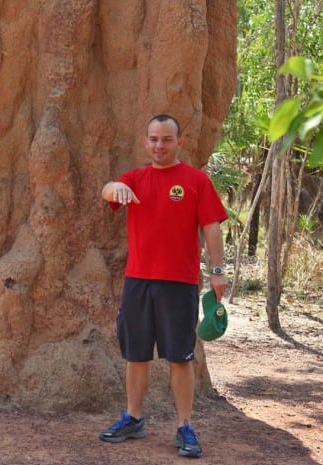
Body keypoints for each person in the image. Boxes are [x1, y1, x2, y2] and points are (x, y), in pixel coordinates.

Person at [97, 114, 228, 459]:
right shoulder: (135, 179)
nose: (159, 145)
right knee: (135, 355)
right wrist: (116, 187)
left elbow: (212, 228)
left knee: (180, 358)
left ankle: (185, 426)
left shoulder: (196, 180)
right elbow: (107, 191)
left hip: (179, 283)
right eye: (154, 139)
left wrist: (217, 272)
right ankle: (133, 418)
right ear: (145, 142)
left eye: (167, 139)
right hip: (138, 281)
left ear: (179, 142)